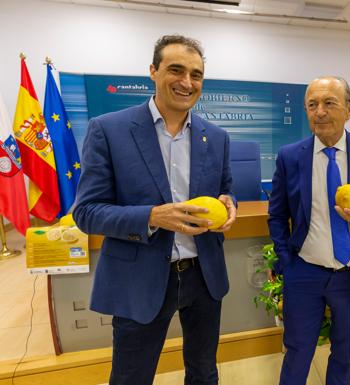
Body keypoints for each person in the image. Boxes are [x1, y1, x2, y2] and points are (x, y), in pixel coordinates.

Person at [74, 35, 237, 385]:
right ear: (153, 71)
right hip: (141, 278)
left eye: (196, 74)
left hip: (203, 275)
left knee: (204, 372)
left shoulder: (217, 137)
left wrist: (229, 204)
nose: (187, 82)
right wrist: (151, 216)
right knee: (132, 377)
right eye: (176, 70)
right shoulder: (109, 130)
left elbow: (226, 190)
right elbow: (86, 212)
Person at [268, 76, 350, 385]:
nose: (320, 111)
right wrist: (286, 260)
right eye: (312, 105)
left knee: (344, 353)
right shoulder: (290, 156)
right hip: (305, 273)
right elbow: (277, 214)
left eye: (329, 103)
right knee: (297, 350)